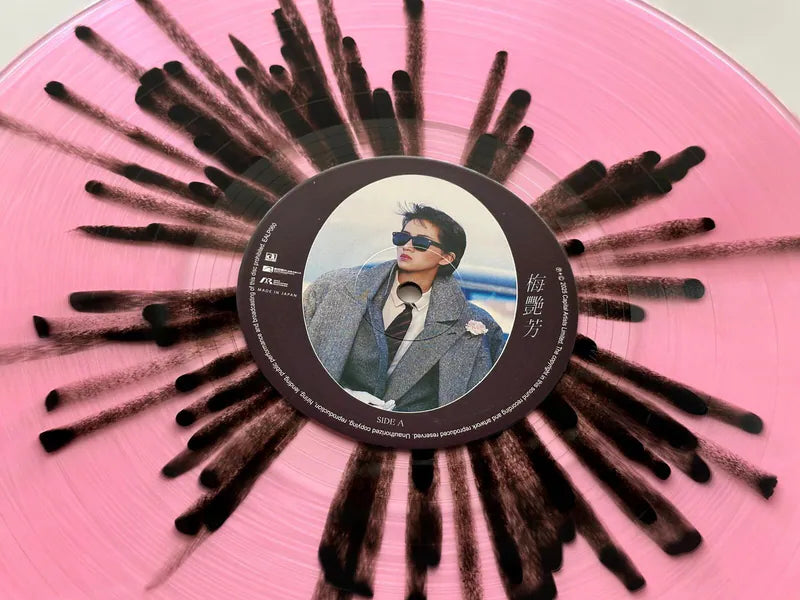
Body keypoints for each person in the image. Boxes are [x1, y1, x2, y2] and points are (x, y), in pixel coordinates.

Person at [303, 203, 505, 412]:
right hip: (328, 413)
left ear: (446, 258)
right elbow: (296, 357)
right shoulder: (334, 288)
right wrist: (346, 395)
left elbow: (480, 405)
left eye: (421, 242)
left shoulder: (477, 325)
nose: (407, 246)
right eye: (402, 238)